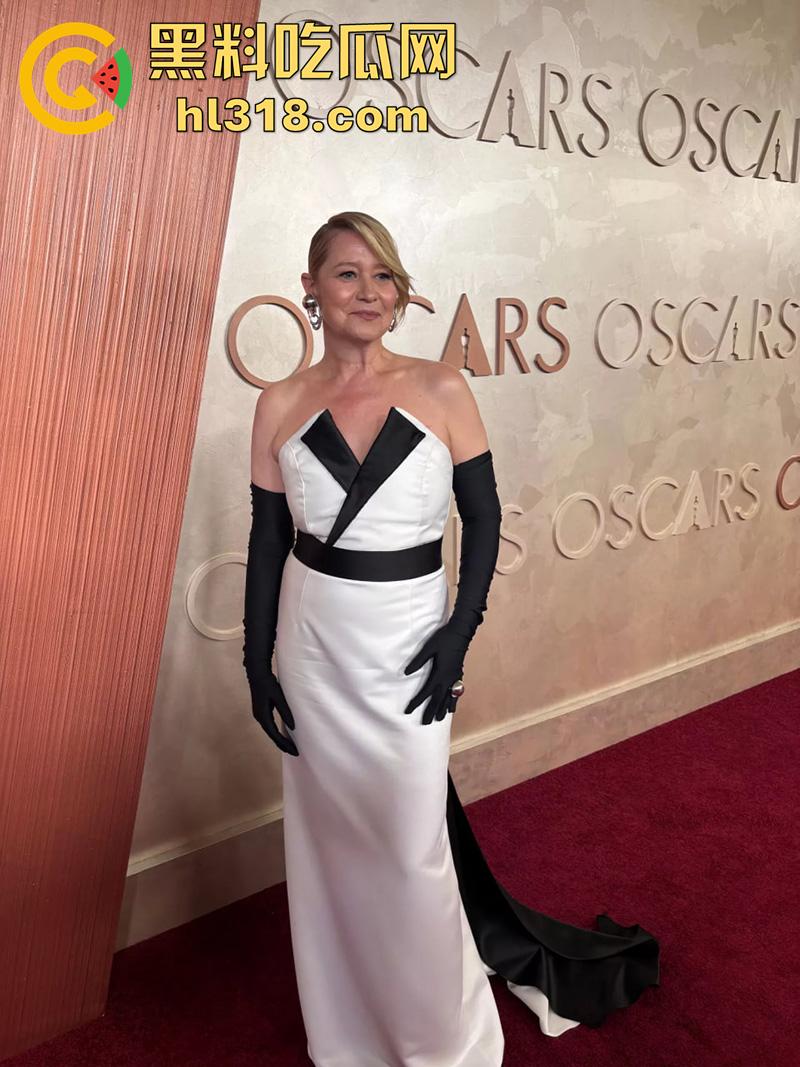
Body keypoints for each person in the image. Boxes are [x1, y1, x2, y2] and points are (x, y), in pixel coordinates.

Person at [242, 211, 660, 1065]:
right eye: (348, 273)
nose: (369, 291)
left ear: (400, 293)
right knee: (329, 848)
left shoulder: (441, 387)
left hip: (409, 643)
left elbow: (484, 517)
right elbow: (267, 538)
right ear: (311, 288)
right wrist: (256, 658)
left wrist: (457, 637)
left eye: (384, 276)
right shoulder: (278, 403)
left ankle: (441, 1044)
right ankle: (349, 1034)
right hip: (315, 645)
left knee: (410, 847)